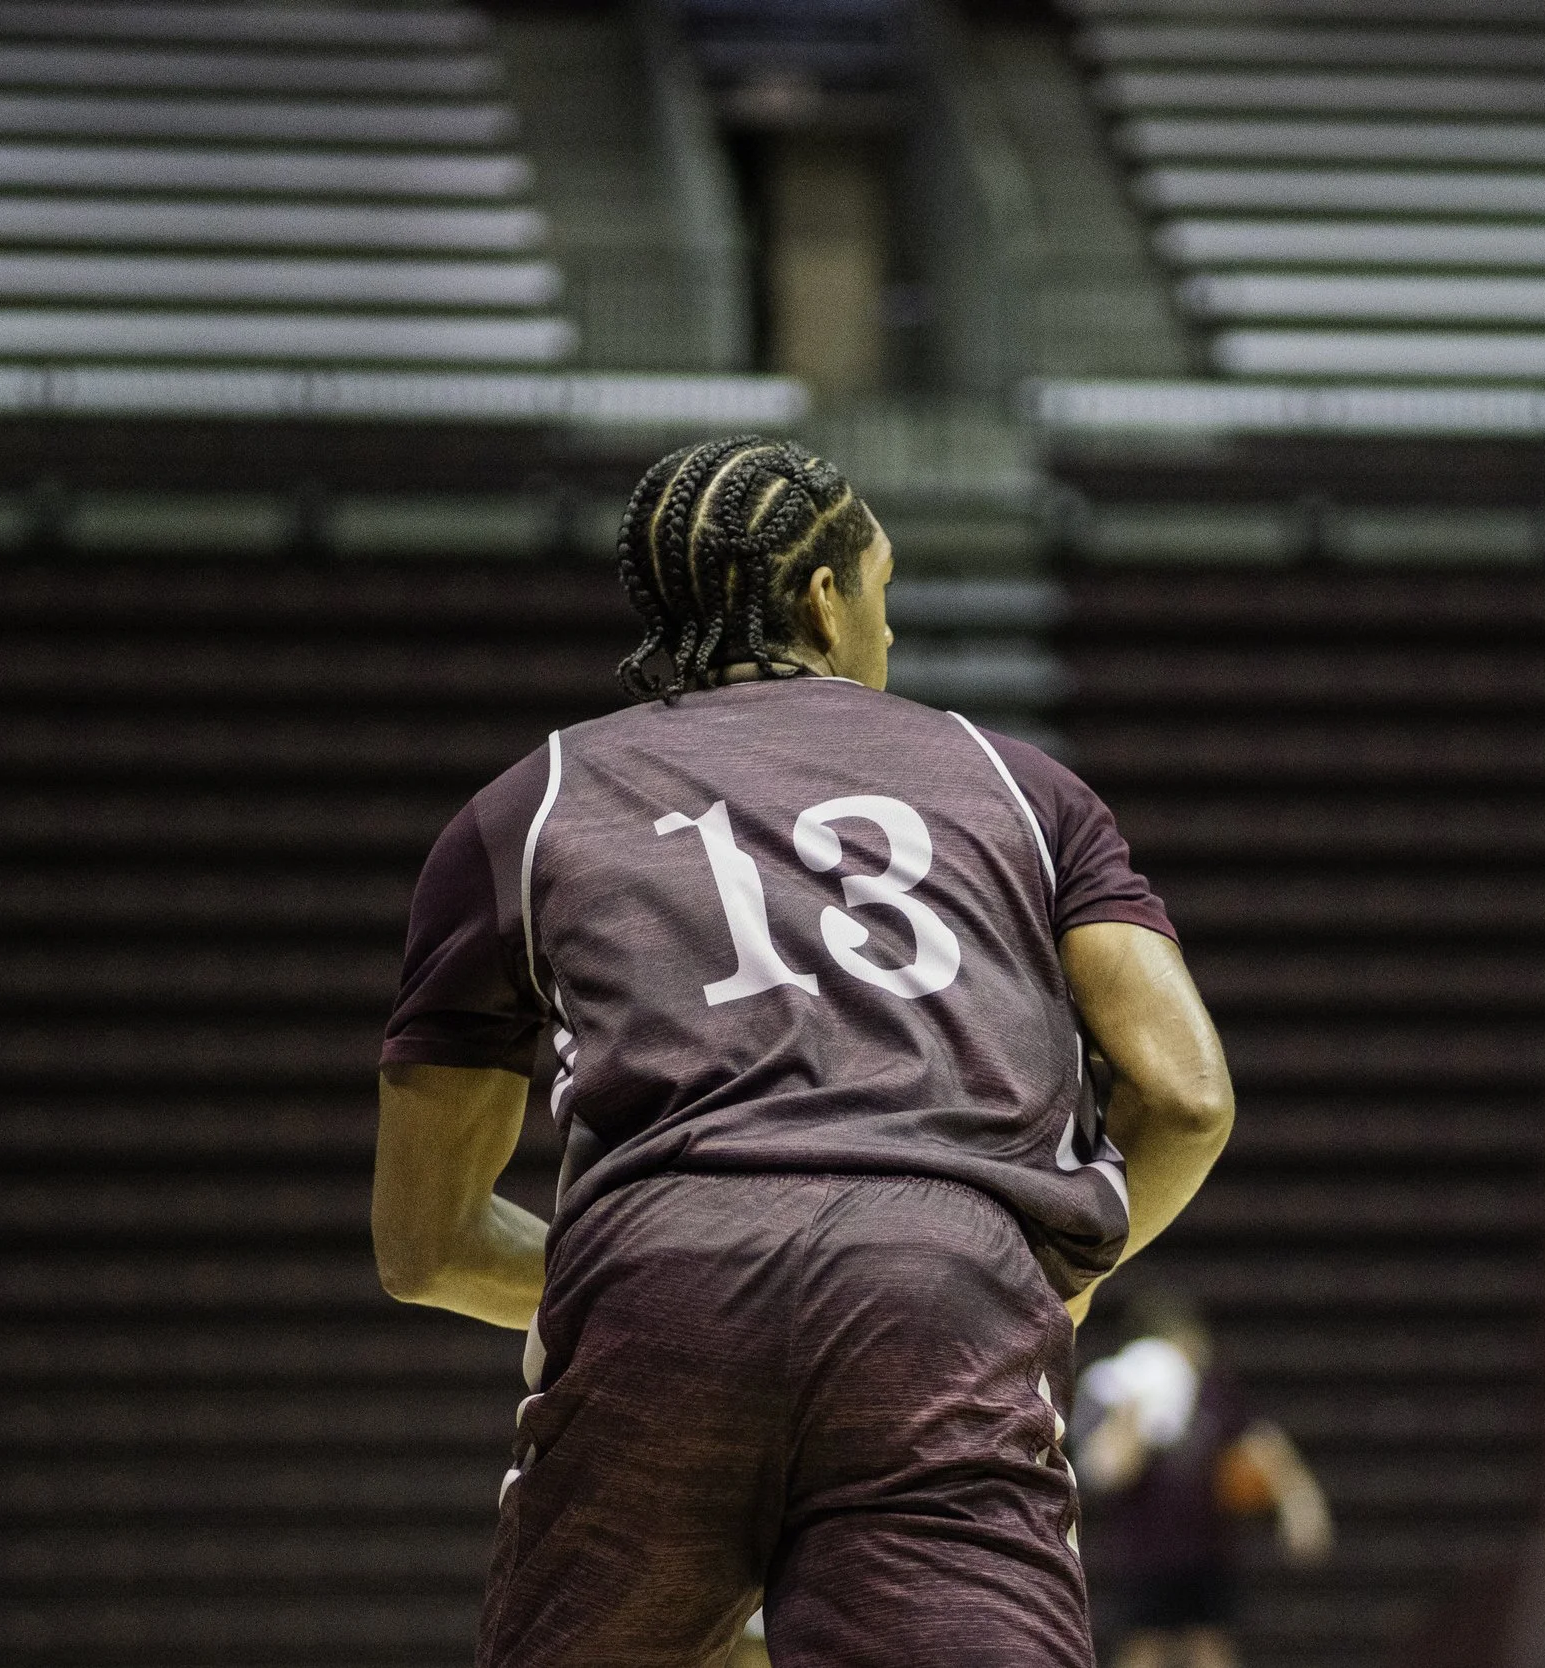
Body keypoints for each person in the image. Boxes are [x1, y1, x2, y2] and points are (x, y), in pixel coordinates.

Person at [370, 435, 1236, 1668]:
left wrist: (635, 1284)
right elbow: (1188, 1097)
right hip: (943, 1287)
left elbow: (425, 1245)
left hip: (660, 1293)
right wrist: (1040, 1262)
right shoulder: (1019, 783)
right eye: (882, 590)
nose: (887, 635)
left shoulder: (529, 804)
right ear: (827, 599)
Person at [1075, 1290, 1333, 1668]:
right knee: (1144, 1650)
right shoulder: (1117, 1394)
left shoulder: (1214, 1391)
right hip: (1145, 1554)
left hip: (1208, 1548)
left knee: (1211, 1647)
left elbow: (1263, 1444)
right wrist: (1133, 1415)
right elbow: (1108, 1472)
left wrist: (1301, 1505)